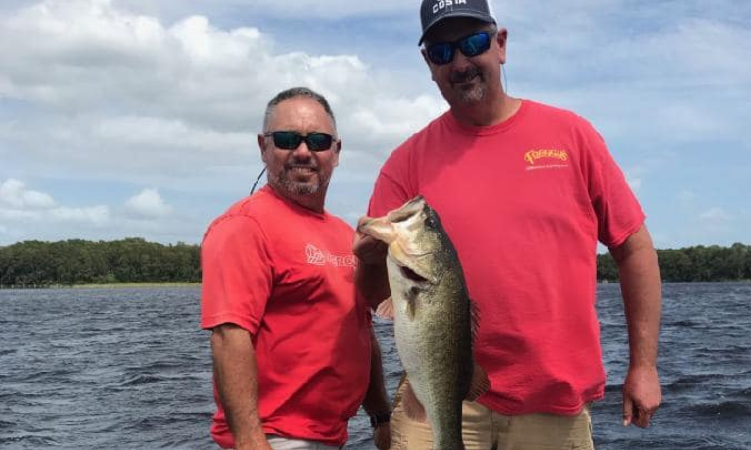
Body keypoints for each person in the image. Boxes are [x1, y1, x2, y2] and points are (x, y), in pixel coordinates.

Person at [353, 1, 663, 449]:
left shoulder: (572, 136)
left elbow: (634, 249)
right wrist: (365, 263)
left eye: (473, 43)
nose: (460, 63)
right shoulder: (406, 162)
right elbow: (375, 296)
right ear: (429, 65)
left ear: (500, 45)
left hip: (554, 405)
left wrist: (644, 366)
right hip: (437, 398)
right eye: (442, 52)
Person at [201, 86, 392, 450]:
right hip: (273, 438)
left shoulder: (345, 235)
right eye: (288, 139)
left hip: (332, 436)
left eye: (318, 141)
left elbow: (361, 330)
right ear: (263, 147)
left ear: (336, 152)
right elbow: (229, 337)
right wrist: (250, 441)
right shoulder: (243, 226)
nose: (303, 152)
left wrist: (381, 414)